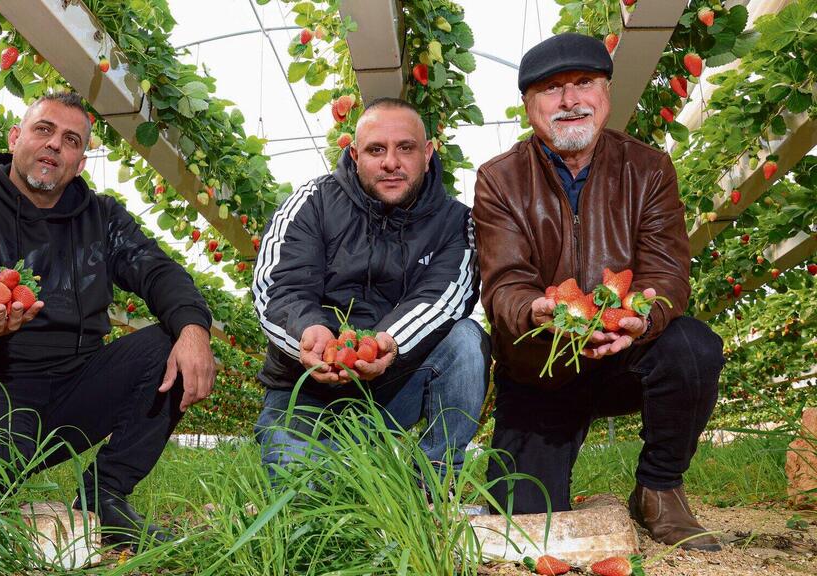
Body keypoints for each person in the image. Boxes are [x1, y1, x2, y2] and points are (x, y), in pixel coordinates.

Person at [0, 91, 216, 546]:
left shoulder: (103, 218)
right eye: (43, 129)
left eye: (71, 140)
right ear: (15, 138)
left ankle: (105, 497)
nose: (54, 144)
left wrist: (194, 330)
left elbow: (158, 271)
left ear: (80, 163)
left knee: (172, 341)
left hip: (71, 389)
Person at [473, 33, 725, 551]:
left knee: (694, 347)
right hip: (542, 370)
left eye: (583, 82)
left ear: (605, 92)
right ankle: (539, 466)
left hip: (624, 358)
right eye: (550, 89)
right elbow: (503, 283)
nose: (569, 100)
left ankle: (659, 487)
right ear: (529, 105)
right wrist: (535, 311)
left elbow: (667, 272)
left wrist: (639, 317)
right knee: (526, 529)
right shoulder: (499, 180)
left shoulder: (648, 168)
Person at [251, 97, 490, 481]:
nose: (391, 162)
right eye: (376, 149)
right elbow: (277, 287)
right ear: (355, 153)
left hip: (390, 387)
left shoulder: (455, 223)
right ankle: (330, 466)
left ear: (427, 153)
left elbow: (443, 300)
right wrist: (308, 337)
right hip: (306, 389)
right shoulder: (312, 202)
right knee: (303, 501)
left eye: (405, 148)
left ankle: (433, 482)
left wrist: (387, 343)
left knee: (466, 339)